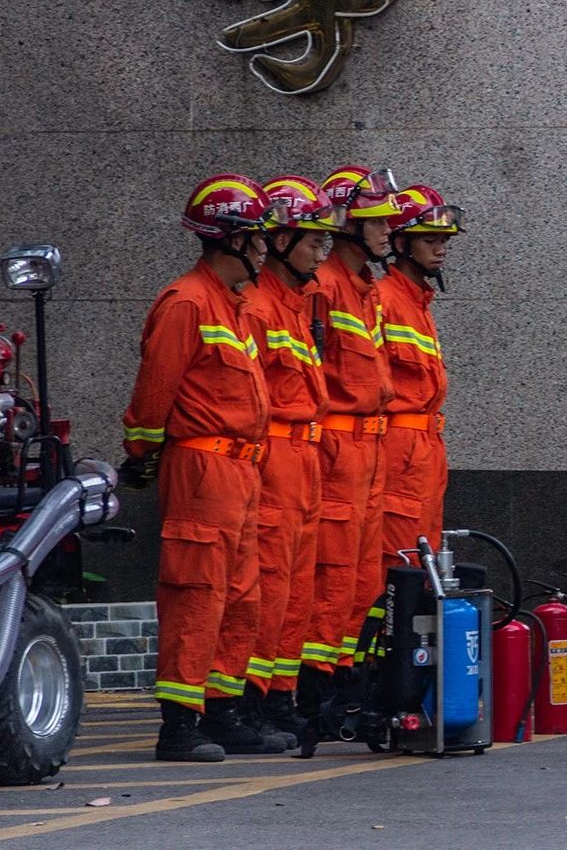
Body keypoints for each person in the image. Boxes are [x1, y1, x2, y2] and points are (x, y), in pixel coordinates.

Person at [120, 174, 291, 761]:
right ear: (230, 241)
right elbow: (154, 394)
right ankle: (181, 725)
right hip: (202, 468)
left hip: (241, 471)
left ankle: (222, 711)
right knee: (197, 593)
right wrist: (141, 453)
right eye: (259, 238)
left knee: (240, 596)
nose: (267, 249)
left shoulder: (235, 306)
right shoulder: (187, 302)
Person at [239, 176, 338, 744]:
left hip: (302, 458)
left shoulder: (295, 306)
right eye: (313, 242)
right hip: (271, 458)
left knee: (295, 591)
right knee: (269, 586)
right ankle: (249, 704)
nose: (321, 253)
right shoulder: (257, 307)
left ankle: (278, 699)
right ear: (280, 241)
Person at [300, 165, 397, 720]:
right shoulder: (325, 288)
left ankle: (346, 676)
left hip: (369, 452)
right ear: (344, 224)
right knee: (332, 576)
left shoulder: (363, 290)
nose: (388, 229)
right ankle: (319, 689)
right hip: (336, 451)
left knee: (362, 579)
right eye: (375, 219)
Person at [378, 185, 462, 564]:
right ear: (400, 243)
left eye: (444, 240)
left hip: (425, 449)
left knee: (424, 558)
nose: (441, 248)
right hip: (398, 449)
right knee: (399, 559)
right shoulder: (383, 300)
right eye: (430, 240)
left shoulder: (418, 302)